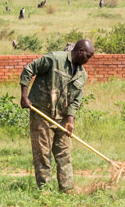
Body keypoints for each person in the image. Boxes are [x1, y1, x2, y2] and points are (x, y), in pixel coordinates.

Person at [19, 39, 95, 192]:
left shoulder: (82, 75)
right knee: (43, 154)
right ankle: (45, 191)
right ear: (80, 51)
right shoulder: (54, 59)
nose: (88, 60)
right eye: (88, 56)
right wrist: (24, 96)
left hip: (62, 118)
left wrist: (70, 120)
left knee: (64, 155)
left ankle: (67, 190)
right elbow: (29, 69)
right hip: (42, 114)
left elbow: (75, 101)